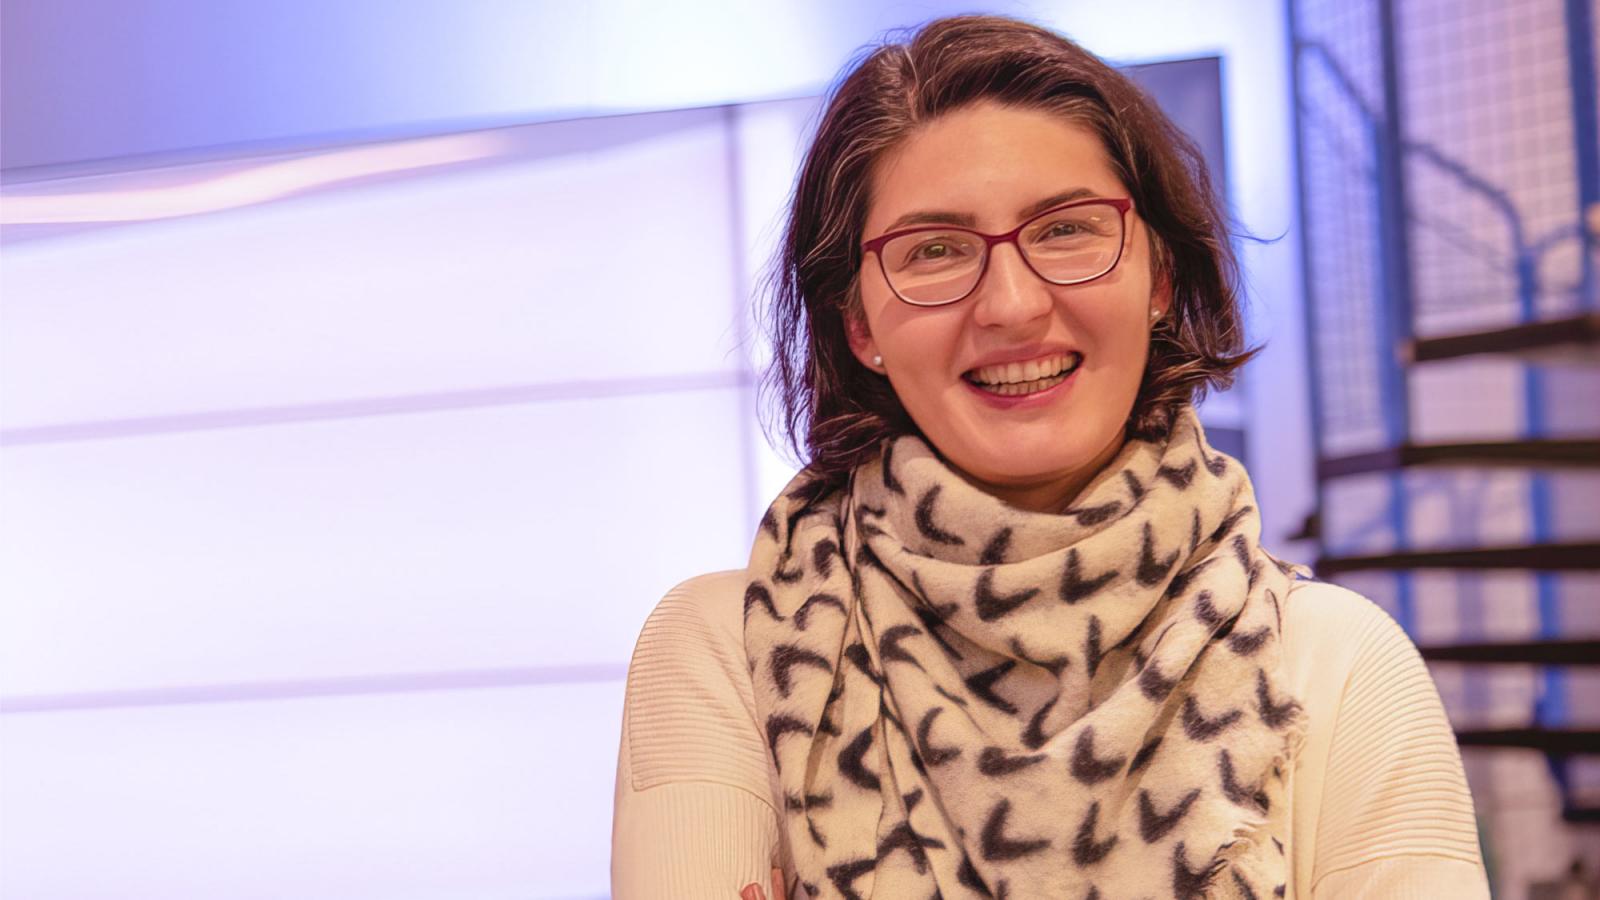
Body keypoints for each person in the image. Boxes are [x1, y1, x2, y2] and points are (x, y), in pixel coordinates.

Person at [611, 14, 1488, 899]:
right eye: (935, 250)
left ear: (1159, 276)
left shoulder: (1333, 666)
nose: (1012, 304)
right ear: (860, 325)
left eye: (1067, 229)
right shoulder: (733, 648)